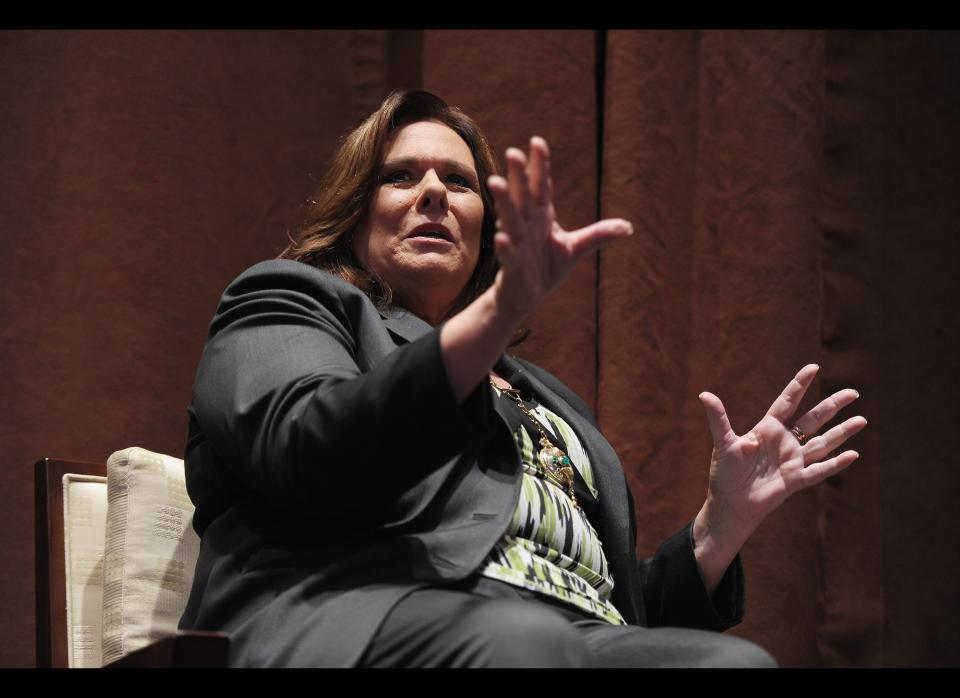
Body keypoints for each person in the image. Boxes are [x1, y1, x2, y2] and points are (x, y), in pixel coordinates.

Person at [178, 89, 866, 667]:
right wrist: (495, 314)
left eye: (458, 183)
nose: (433, 197)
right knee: (528, 643)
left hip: (559, 635)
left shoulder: (544, 395)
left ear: (484, 225)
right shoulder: (285, 302)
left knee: (734, 665)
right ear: (354, 208)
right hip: (355, 615)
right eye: (400, 176)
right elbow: (313, 451)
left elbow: (608, 602)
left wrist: (722, 527)